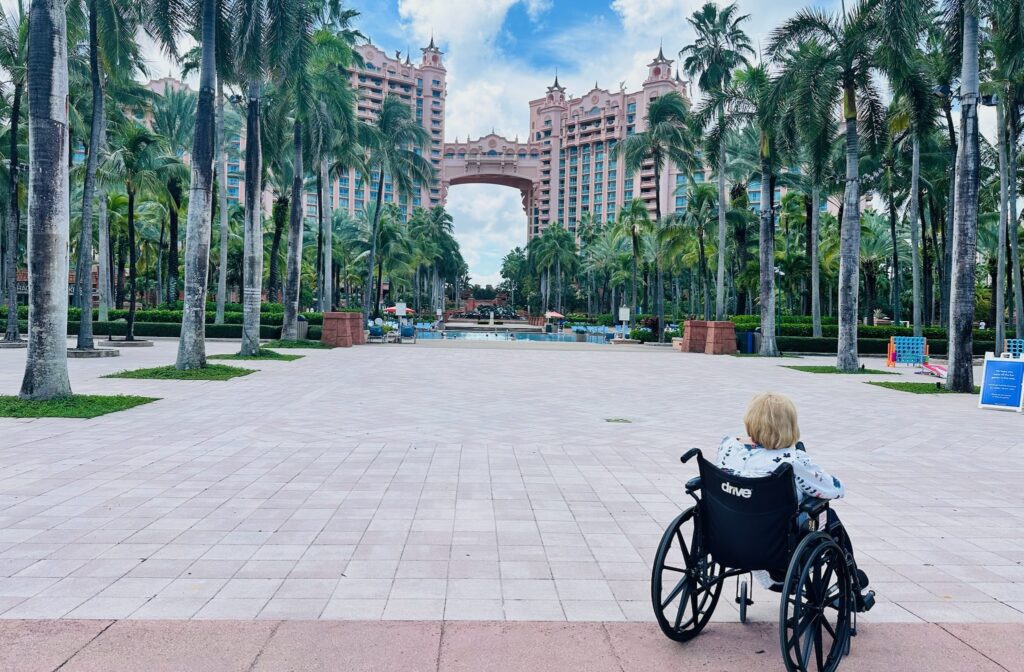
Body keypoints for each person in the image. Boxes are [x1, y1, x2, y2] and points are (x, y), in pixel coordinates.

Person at [716, 392, 874, 612]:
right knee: (829, 517)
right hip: (776, 547)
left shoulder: (728, 447)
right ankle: (851, 582)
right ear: (788, 425)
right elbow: (834, 490)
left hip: (727, 538)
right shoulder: (792, 461)